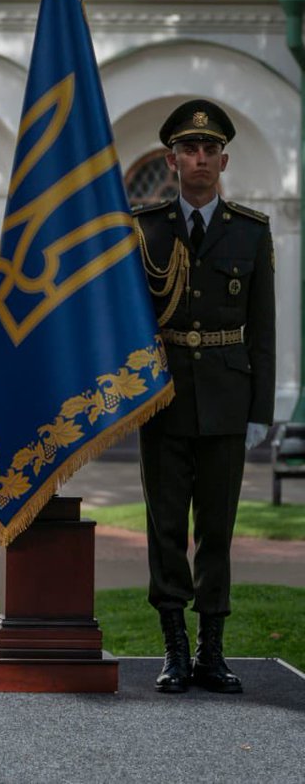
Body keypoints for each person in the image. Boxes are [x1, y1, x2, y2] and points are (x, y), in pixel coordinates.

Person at [134, 99, 275, 695]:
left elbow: (263, 329)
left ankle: (213, 653)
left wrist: (260, 412)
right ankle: (174, 649)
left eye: (209, 150)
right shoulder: (145, 229)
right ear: (171, 160)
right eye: (188, 149)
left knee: (216, 529)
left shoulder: (250, 230)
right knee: (166, 527)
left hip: (225, 399)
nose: (199, 158)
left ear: (224, 160)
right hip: (164, 400)